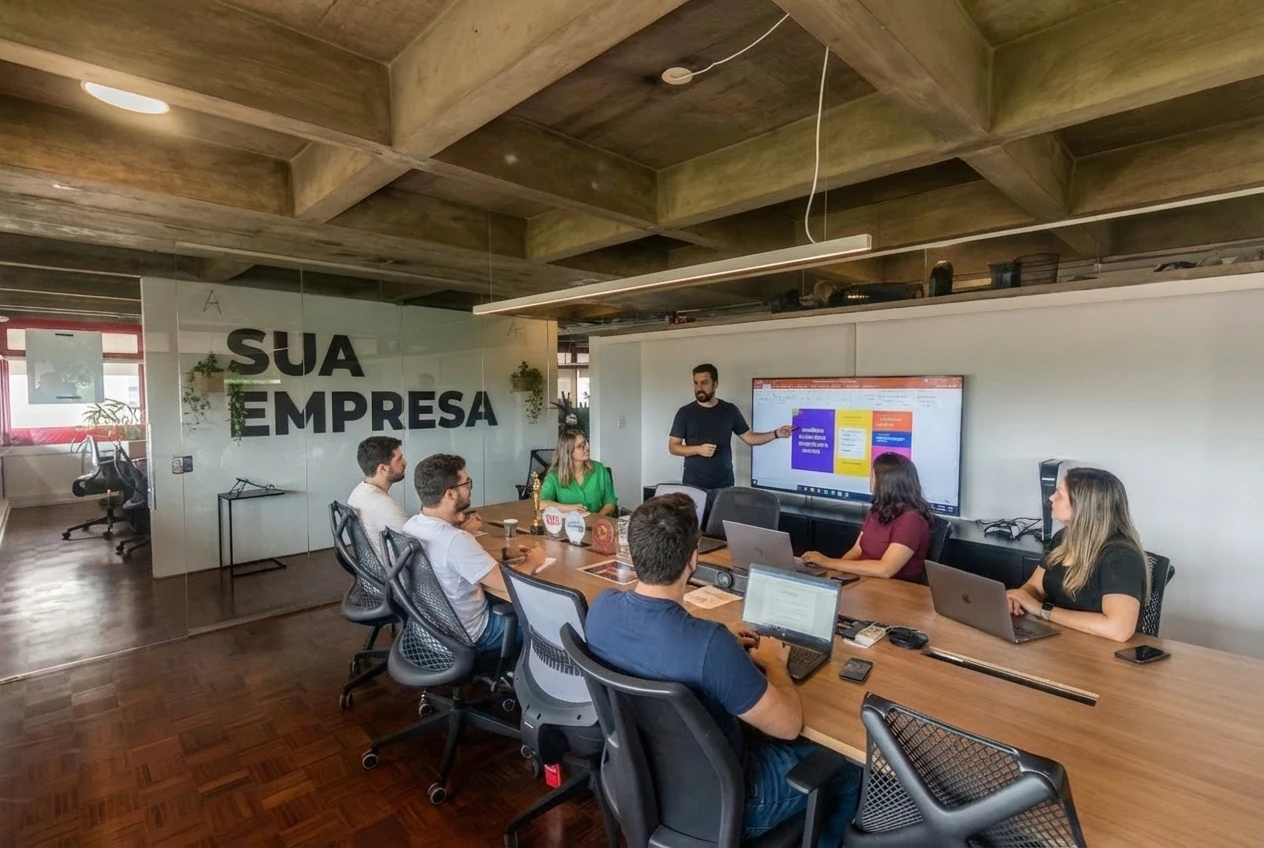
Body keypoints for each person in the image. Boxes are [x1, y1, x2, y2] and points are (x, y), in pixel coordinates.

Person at [585, 494, 861, 846]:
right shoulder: (710, 647)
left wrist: (708, 635)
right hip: (730, 801)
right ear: (693, 559)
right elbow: (789, 725)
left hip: (641, 781)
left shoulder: (601, 610)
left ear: (634, 552)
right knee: (848, 769)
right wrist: (774, 663)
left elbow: (656, 634)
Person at [402, 454, 544, 652]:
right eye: (466, 483)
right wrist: (534, 560)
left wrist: (505, 552)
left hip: (429, 630)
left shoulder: (411, 526)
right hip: (471, 636)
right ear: (450, 494)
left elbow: (457, 560)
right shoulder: (455, 540)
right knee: (546, 625)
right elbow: (508, 583)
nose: (469, 488)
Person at [1006, 467, 1149, 642]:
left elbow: (1118, 629)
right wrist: (1016, 598)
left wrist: (1042, 610)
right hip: (1057, 640)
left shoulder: (1121, 556)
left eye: (1059, 493)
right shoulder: (1063, 538)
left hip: (1099, 651)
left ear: (1082, 506)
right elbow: (1034, 587)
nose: (1051, 498)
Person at [801, 452, 933, 583]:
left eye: (873, 475)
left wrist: (828, 562)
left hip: (894, 589)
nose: (870, 480)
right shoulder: (877, 511)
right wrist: (833, 574)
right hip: (865, 582)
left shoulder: (912, 520)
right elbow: (856, 551)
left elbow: (885, 569)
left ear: (885, 482)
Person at [668, 363, 793, 493]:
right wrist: (698, 450)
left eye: (704, 383)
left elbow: (749, 438)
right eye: (696, 383)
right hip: (693, 485)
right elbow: (673, 447)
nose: (699, 388)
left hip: (724, 484)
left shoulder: (729, 410)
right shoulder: (685, 413)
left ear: (715, 384)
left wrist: (776, 434)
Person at [347, 436, 408, 562]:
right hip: (397, 570)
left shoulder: (359, 491)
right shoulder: (384, 504)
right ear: (383, 469)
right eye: (399, 459)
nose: (405, 462)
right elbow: (416, 549)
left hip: (374, 565)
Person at [539, 429, 617, 516]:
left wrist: (597, 518)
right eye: (580, 446)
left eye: (586, 444)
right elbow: (541, 504)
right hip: (567, 523)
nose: (586, 448)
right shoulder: (554, 475)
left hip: (598, 522)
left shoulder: (599, 469)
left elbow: (610, 502)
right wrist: (568, 508)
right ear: (568, 451)